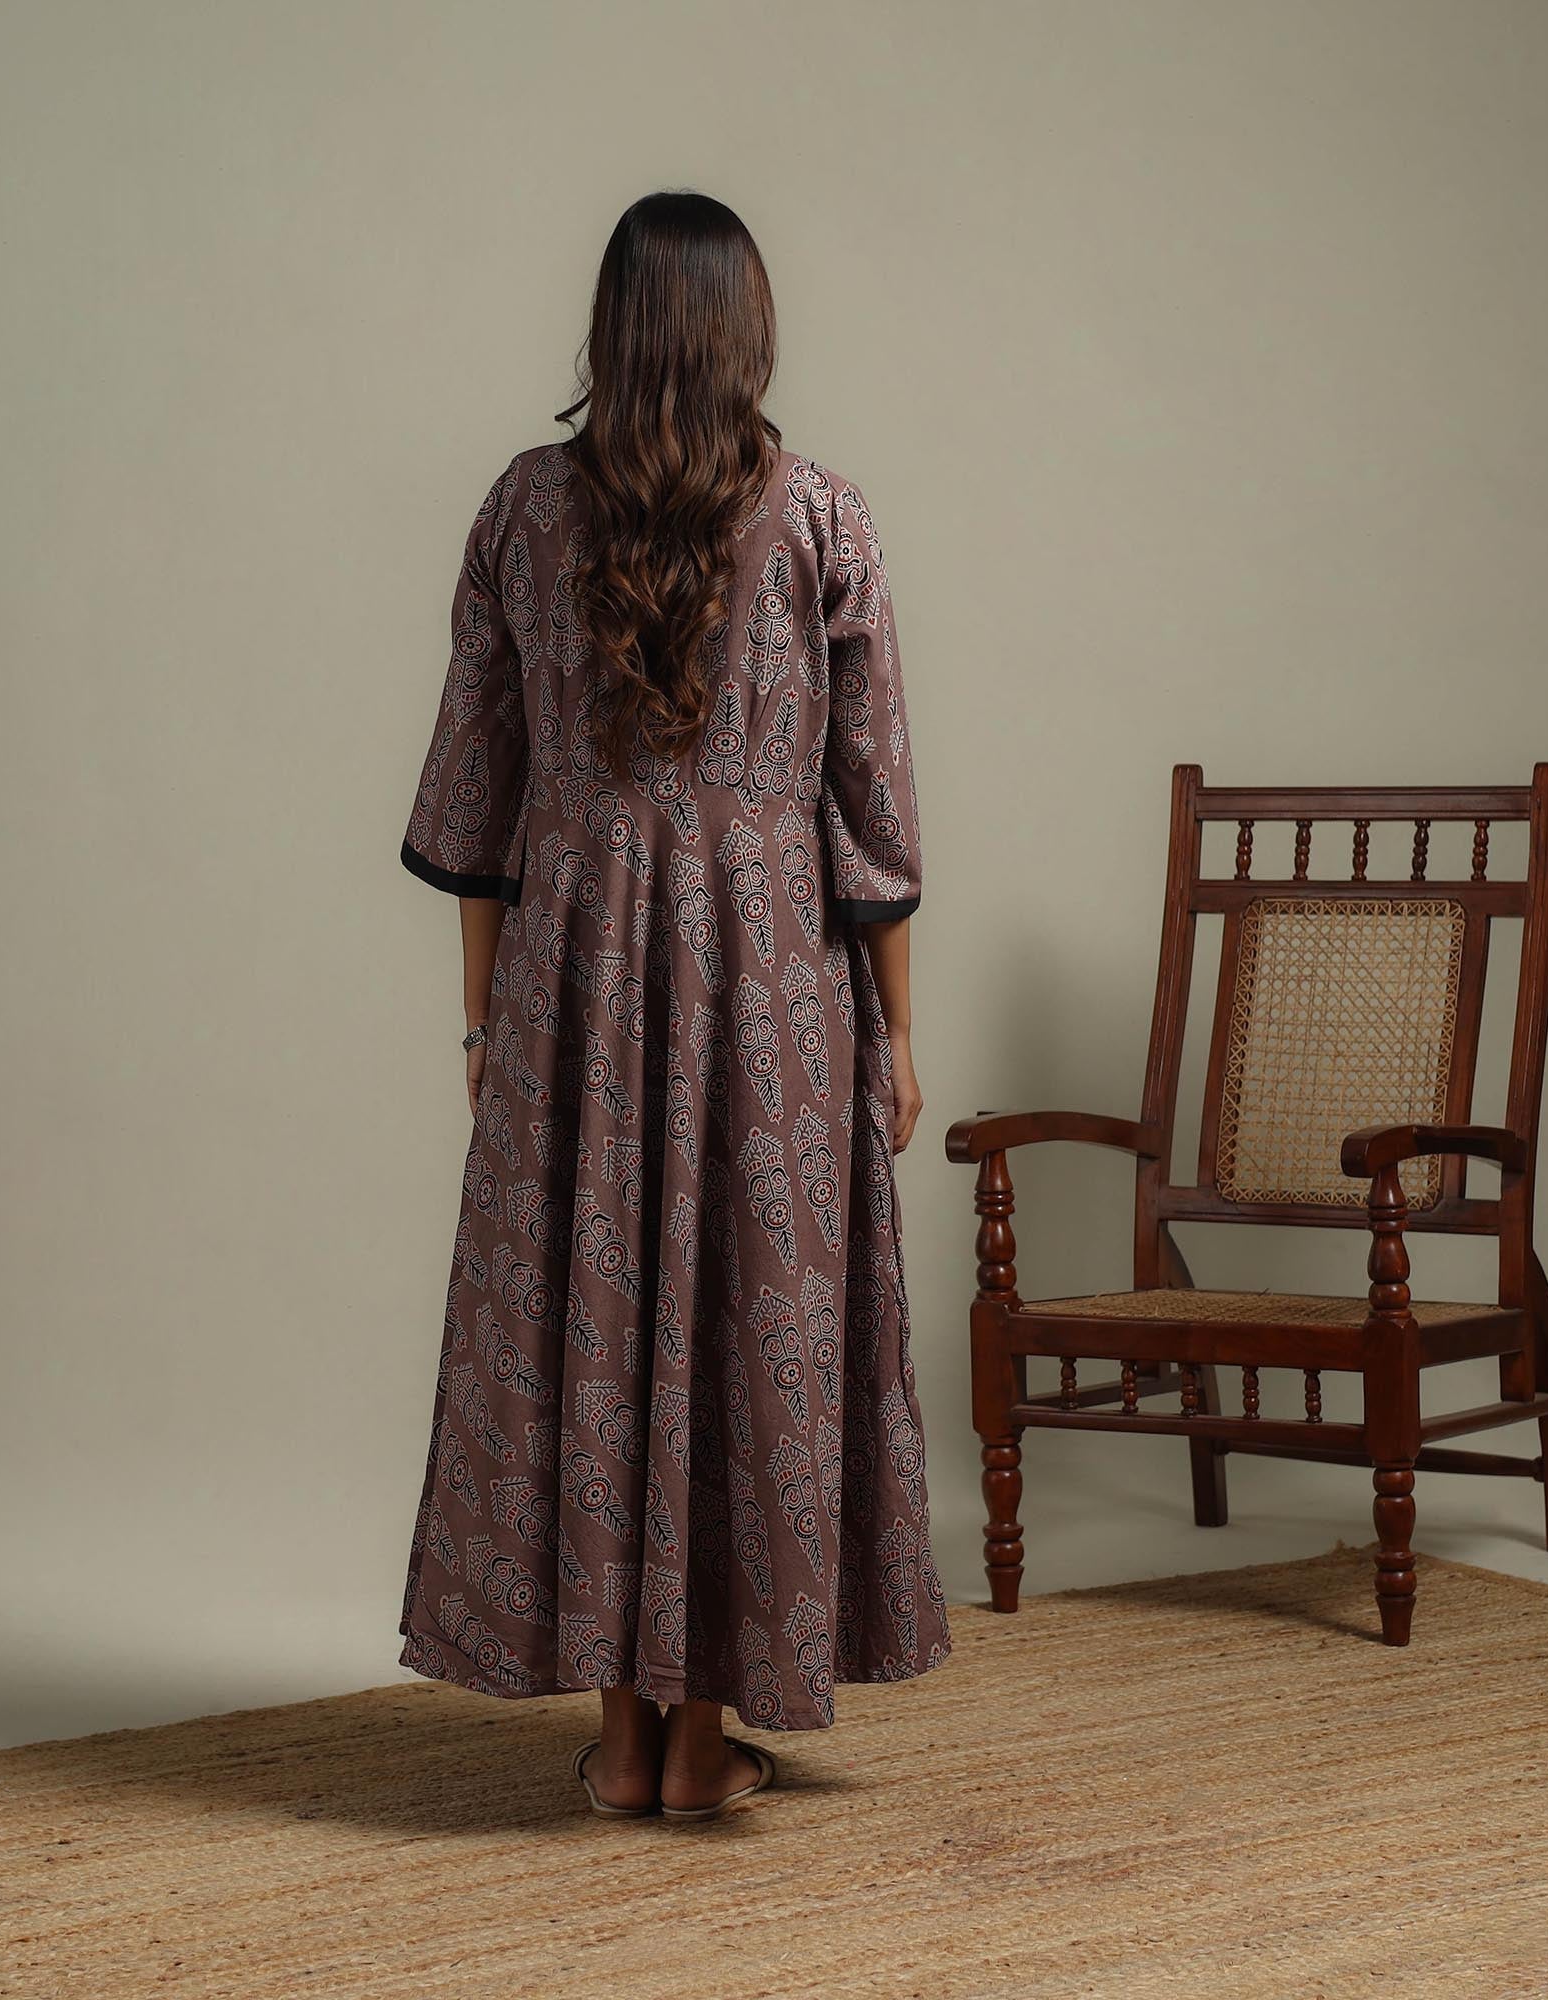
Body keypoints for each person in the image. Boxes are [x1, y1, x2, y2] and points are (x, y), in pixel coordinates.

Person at [395, 189, 949, 1821]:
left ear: (613, 329)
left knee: (595, 1310)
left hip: (573, 968)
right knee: (745, 1320)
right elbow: (871, 807)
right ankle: (705, 1744)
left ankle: (624, 1744)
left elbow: (477, 796)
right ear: (745, 331)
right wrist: (899, 1032)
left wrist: (488, 1026)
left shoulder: (523, 508)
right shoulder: (824, 515)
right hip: (775, 972)